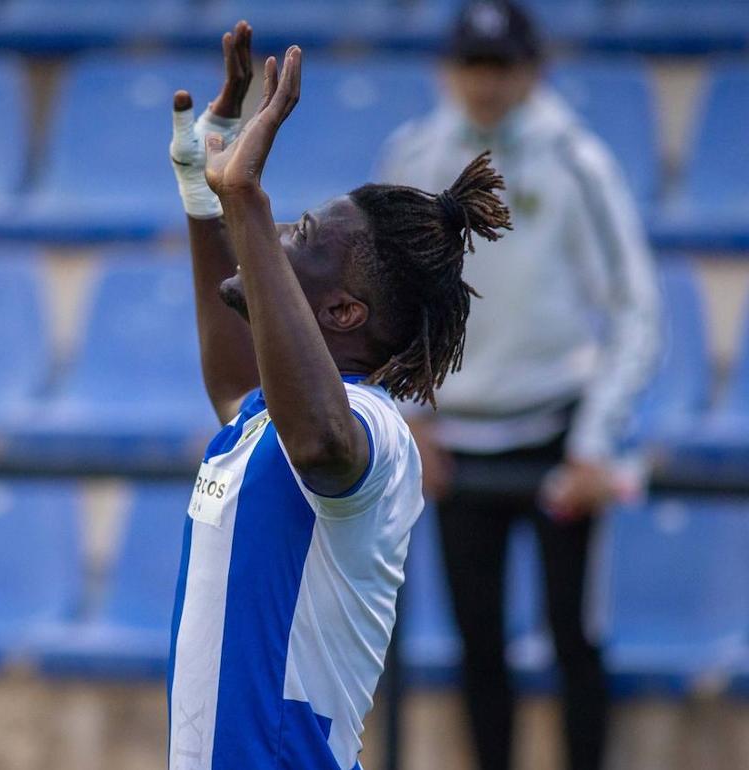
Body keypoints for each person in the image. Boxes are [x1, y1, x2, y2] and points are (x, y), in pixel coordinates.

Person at [166, 22, 512, 770]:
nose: (280, 230)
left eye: (305, 233)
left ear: (344, 313)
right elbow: (235, 383)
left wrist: (249, 202)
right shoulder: (267, 420)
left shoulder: (373, 432)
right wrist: (205, 189)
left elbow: (322, 443)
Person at [376, 2, 661, 769]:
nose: (487, 83)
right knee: (478, 643)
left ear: (532, 69)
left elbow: (636, 306)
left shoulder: (578, 160)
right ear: (449, 68)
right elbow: (387, 301)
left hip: (557, 438)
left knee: (575, 637)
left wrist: (596, 441)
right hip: (457, 442)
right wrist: (410, 421)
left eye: (501, 66)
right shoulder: (414, 155)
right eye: (473, 64)